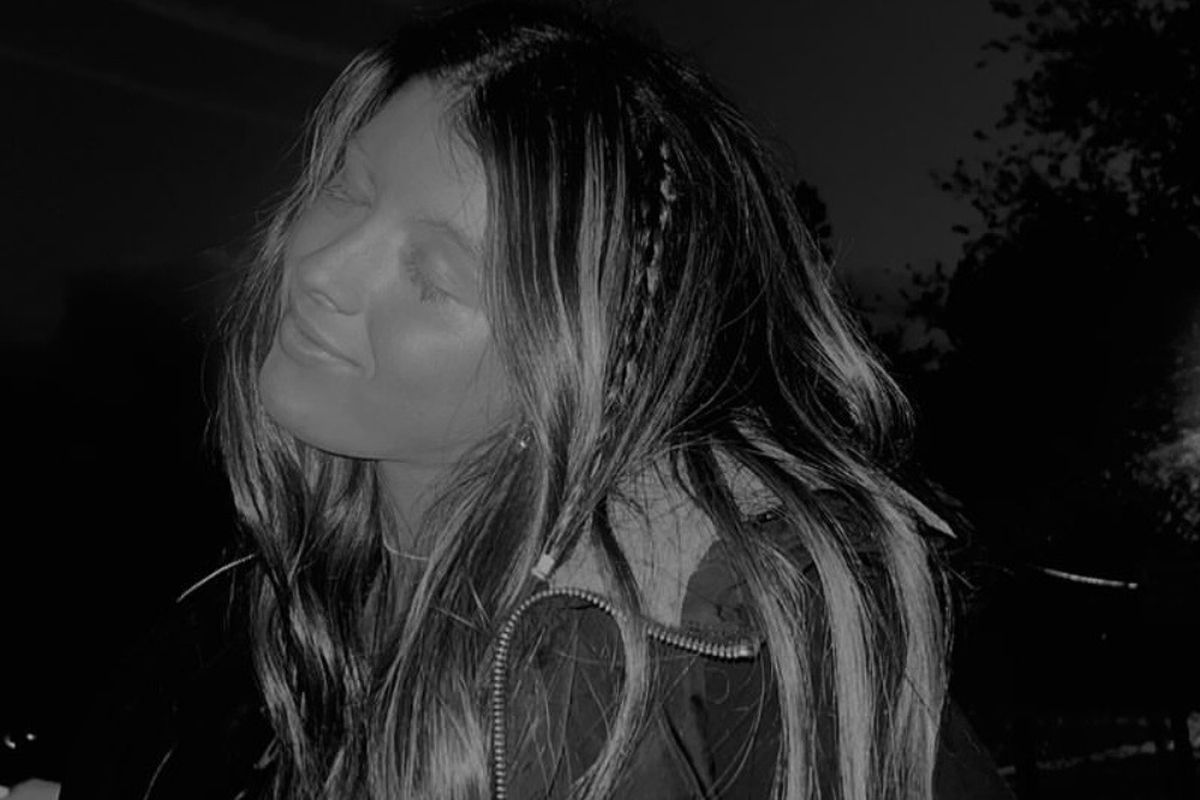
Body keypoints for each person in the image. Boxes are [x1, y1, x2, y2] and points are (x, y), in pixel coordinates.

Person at [55, 1, 1016, 798]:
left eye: (433, 275)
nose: (320, 271)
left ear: (576, 368)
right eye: (347, 191)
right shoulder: (244, 621)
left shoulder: (743, 650)